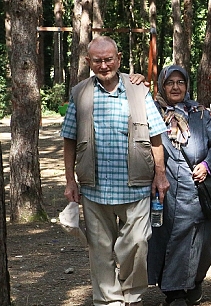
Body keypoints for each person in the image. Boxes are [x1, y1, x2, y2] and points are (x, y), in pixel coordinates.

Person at [61, 36, 169, 306]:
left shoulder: (139, 90)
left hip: (136, 186)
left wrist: (160, 174)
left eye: (109, 59)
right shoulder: (80, 92)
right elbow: (69, 138)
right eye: (97, 60)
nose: (104, 64)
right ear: (89, 62)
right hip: (94, 188)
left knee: (138, 244)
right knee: (99, 251)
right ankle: (109, 301)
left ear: (119, 59)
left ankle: (132, 297)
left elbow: (156, 137)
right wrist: (69, 180)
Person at [147, 65, 211, 306]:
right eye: (170, 82)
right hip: (165, 191)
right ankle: (174, 292)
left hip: (197, 190)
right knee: (168, 239)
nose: (175, 87)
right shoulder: (151, 112)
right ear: (162, 85)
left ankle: (195, 281)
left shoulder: (199, 113)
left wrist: (207, 165)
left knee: (202, 242)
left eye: (180, 82)